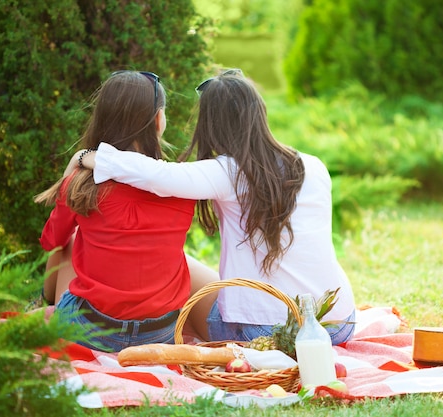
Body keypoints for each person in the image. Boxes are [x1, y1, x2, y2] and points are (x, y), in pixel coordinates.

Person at [74, 69, 356, 345]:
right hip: (337, 322)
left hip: (263, 335)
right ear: (260, 111)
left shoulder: (226, 173)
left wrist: (86, 156)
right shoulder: (314, 166)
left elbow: (154, 174)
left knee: (185, 267)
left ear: (210, 124)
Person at [35, 71, 197, 352]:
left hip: (91, 330)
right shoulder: (183, 186)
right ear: (159, 121)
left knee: (69, 240)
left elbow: (51, 242)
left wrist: (71, 173)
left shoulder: (82, 184)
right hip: (159, 334)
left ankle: (43, 303)